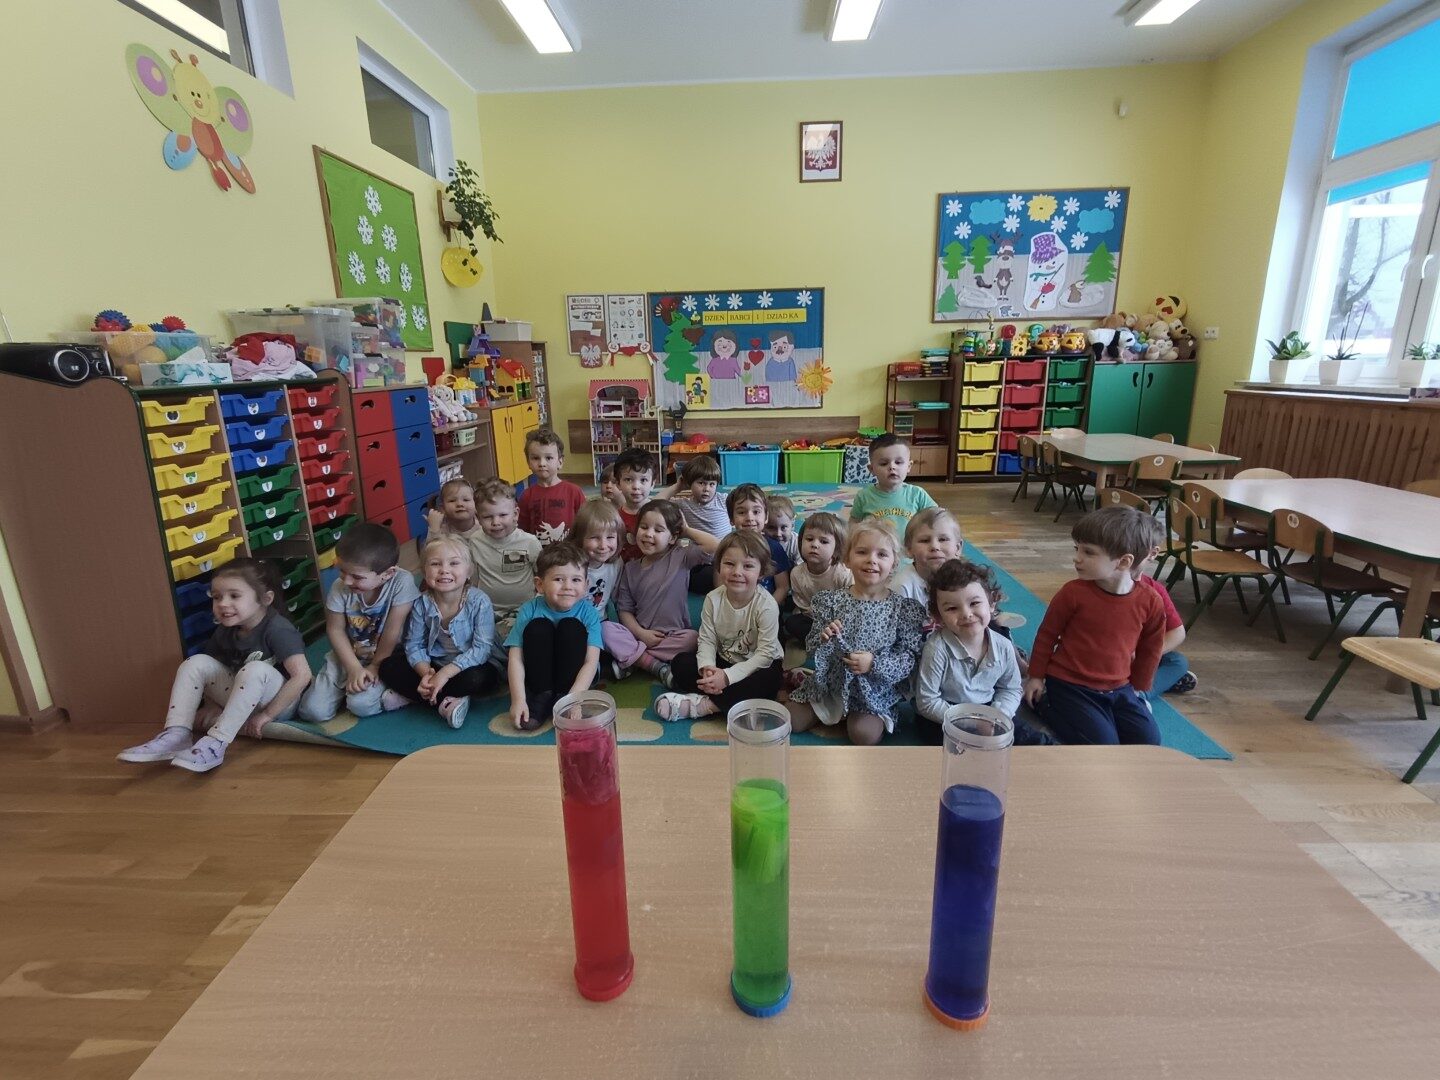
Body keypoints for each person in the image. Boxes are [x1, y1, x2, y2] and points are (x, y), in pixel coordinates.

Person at [118, 559, 311, 773]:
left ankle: (216, 742)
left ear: (265, 599)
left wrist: (268, 716)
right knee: (195, 663)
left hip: (280, 703)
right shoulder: (226, 629)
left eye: (234, 596)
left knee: (255, 669)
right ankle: (177, 734)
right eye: (217, 597)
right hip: (244, 699)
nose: (222, 604)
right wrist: (212, 705)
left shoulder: (278, 629)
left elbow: (302, 676)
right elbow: (211, 672)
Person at [1022, 506, 1167, 745]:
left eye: (1088, 552)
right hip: (1070, 685)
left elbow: (1150, 649)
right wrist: (1036, 677)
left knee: (1148, 742)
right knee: (1103, 745)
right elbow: (1047, 635)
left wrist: (1139, 687)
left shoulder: (1151, 601)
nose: (1077, 557)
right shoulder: (1072, 593)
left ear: (1123, 562)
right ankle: (1045, 705)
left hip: (1119, 688)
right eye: (1077, 549)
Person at [785, 519, 927, 746]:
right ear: (847, 559)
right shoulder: (831, 601)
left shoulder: (902, 610)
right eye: (862, 552)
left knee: (863, 735)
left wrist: (873, 664)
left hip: (872, 691)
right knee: (790, 719)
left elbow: (907, 658)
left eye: (882, 554)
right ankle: (822, 700)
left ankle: (862, 717)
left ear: (894, 563)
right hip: (831, 685)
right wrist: (824, 637)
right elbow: (812, 646)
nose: (872, 559)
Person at [297, 523, 417, 722]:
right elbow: (335, 630)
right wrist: (353, 668)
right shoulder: (340, 587)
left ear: (388, 574)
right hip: (350, 655)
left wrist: (375, 666)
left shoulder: (402, 582)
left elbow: (392, 631)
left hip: (388, 657)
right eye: (342, 571)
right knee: (311, 711)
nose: (347, 581)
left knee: (360, 705)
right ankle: (346, 687)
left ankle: (397, 695)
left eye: (357, 577)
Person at [657, 531, 784, 720]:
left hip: (757, 665)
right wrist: (708, 669)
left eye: (748, 566)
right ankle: (732, 700)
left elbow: (765, 655)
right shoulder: (713, 599)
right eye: (729, 564)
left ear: (762, 572)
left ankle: (704, 705)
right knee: (680, 664)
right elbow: (707, 640)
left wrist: (726, 678)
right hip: (724, 660)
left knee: (770, 681)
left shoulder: (767, 605)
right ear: (718, 565)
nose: (737, 572)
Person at [379, 537, 496, 730]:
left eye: (454, 563)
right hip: (434, 664)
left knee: (480, 680)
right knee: (388, 666)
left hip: (468, 666)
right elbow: (414, 644)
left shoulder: (479, 601)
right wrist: (426, 674)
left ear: (469, 571)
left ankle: (416, 695)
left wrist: (445, 674)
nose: (444, 570)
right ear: (424, 571)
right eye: (435, 564)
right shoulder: (421, 603)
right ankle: (445, 701)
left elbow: (482, 649)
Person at [601, 499, 718, 684]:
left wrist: (686, 530)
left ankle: (636, 659)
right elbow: (624, 610)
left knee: (694, 639)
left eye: (658, 530)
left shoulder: (681, 557)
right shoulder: (630, 569)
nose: (648, 534)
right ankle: (654, 665)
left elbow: (715, 546)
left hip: (673, 636)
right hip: (638, 634)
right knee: (605, 629)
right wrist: (641, 633)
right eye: (644, 527)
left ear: (672, 538)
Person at [914, 559, 1023, 730]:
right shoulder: (936, 649)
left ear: (992, 604)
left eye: (974, 603)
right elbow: (927, 701)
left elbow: (1011, 689)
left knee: (1026, 735)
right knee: (960, 745)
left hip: (988, 710)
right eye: (952, 608)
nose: (966, 614)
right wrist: (973, 722)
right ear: (939, 617)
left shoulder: (1003, 646)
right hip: (944, 714)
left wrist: (999, 716)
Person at [505, 542, 603, 731]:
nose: (567, 587)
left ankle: (564, 697)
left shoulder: (589, 613)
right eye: (558, 579)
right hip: (539, 677)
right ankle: (542, 695)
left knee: (571, 627)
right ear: (540, 585)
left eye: (576, 580)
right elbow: (515, 658)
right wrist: (518, 700)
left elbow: (591, 661)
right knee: (538, 627)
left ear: (586, 585)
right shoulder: (529, 610)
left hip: (574, 681)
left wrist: (574, 698)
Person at [466, 478, 542, 644]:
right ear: (478, 517)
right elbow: (472, 577)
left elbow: (542, 575)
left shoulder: (529, 542)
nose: (496, 522)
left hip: (524, 607)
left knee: (521, 640)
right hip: (487, 608)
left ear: (515, 514)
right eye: (487, 517)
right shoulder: (475, 541)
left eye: (502, 515)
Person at [1136, 515, 1196, 696]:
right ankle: (1161, 682)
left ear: (1152, 554)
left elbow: (1177, 632)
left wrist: (1148, 654)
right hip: (1104, 657)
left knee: (1177, 661)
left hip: (1139, 655)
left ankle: (1141, 694)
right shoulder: (1086, 589)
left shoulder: (1154, 591)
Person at [654, 453, 729, 593]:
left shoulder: (723, 500)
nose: (707, 489)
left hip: (726, 556)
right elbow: (655, 504)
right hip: (702, 559)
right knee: (687, 576)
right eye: (701, 483)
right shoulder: (684, 504)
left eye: (712, 484)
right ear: (689, 483)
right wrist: (677, 487)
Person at [849, 433, 938, 538]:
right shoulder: (864, 496)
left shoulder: (917, 494)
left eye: (898, 462)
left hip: (909, 547)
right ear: (872, 469)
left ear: (909, 466)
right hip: (877, 547)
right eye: (883, 463)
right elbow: (854, 522)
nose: (892, 467)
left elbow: (937, 516)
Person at [784, 511, 850, 644]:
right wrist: (820, 621)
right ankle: (823, 640)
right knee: (791, 622)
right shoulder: (796, 573)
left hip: (840, 621)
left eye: (824, 541)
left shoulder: (843, 573)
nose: (814, 544)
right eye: (809, 539)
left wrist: (834, 623)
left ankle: (829, 641)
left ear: (837, 549)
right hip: (814, 619)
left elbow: (851, 605)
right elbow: (803, 604)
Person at [518, 428, 586, 544]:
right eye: (535, 458)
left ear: (560, 462)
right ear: (528, 462)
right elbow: (523, 531)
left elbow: (585, 525)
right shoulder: (526, 496)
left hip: (569, 551)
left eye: (548, 458)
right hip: (539, 552)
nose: (542, 463)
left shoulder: (574, 492)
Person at [727, 483, 790, 606]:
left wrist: (768, 609)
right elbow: (720, 585)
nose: (749, 517)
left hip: (767, 607)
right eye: (741, 512)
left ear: (766, 517)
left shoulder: (774, 548)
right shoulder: (727, 546)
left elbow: (783, 587)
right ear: (731, 519)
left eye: (756, 512)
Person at [889, 507, 963, 608]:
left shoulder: (966, 581)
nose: (934, 546)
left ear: (958, 548)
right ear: (909, 549)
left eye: (943, 539)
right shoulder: (901, 588)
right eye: (925, 540)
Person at [568, 497, 623, 615]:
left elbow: (616, 597)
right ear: (579, 538)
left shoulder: (617, 563)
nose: (603, 546)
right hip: (570, 619)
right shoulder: (568, 565)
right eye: (594, 537)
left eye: (610, 537)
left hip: (600, 620)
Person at [613, 447, 657, 561]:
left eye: (643, 480)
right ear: (618, 483)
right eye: (628, 479)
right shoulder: (614, 517)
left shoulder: (660, 514)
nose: (636, 486)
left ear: (652, 484)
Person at [425, 477, 482, 545]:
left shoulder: (483, 524)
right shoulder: (442, 529)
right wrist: (434, 528)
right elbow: (432, 548)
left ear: (476, 505)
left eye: (466, 500)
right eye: (452, 501)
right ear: (443, 508)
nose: (459, 504)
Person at [764, 494, 800, 566]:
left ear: (792, 525)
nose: (778, 534)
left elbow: (802, 567)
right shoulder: (761, 542)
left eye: (783, 527)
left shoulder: (797, 543)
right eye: (771, 527)